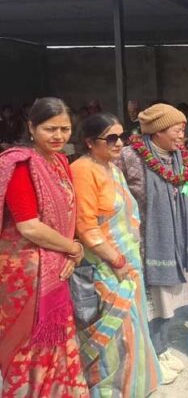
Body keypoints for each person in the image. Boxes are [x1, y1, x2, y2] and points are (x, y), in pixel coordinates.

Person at [0, 97, 89, 396]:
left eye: (65, 129)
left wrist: (71, 249)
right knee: (29, 342)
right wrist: (73, 248)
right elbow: (28, 226)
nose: (58, 136)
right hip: (25, 270)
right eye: (50, 129)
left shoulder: (61, 162)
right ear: (31, 127)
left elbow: (68, 214)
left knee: (57, 339)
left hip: (55, 260)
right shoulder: (21, 165)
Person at [70, 113, 162, 392]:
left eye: (121, 136)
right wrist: (117, 260)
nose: (119, 143)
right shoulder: (83, 171)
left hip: (127, 263)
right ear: (89, 142)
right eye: (111, 138)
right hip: (105, 266)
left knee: (133, 327)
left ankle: (135, 386)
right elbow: (86, 227)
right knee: (114, 333)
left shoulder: (112, 168)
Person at [117, 103, 188, 382]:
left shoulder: (179, 156)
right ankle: (150, 354)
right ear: (158, 131)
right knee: (152, 301)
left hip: (174, 237)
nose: (182, 135)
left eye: (183, 130)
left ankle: (161, 348)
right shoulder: (129, 157)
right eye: (177, 130)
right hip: (146, 243)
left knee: (169, 299)